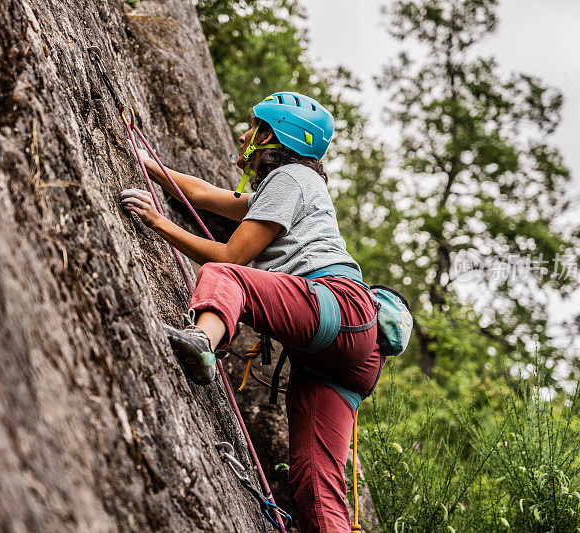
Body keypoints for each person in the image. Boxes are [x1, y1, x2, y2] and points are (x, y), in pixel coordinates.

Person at [120, 92, 383, 532]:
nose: (243, 137)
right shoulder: (293, 187)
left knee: (226, 275)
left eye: (253, 128)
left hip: (335, 307)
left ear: (271, 137)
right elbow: (205, 195)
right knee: (316, 484)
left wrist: (160, 224)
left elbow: (230, 258)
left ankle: (203, 342)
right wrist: (148, 163)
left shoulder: (290, 178)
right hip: (351, 349)